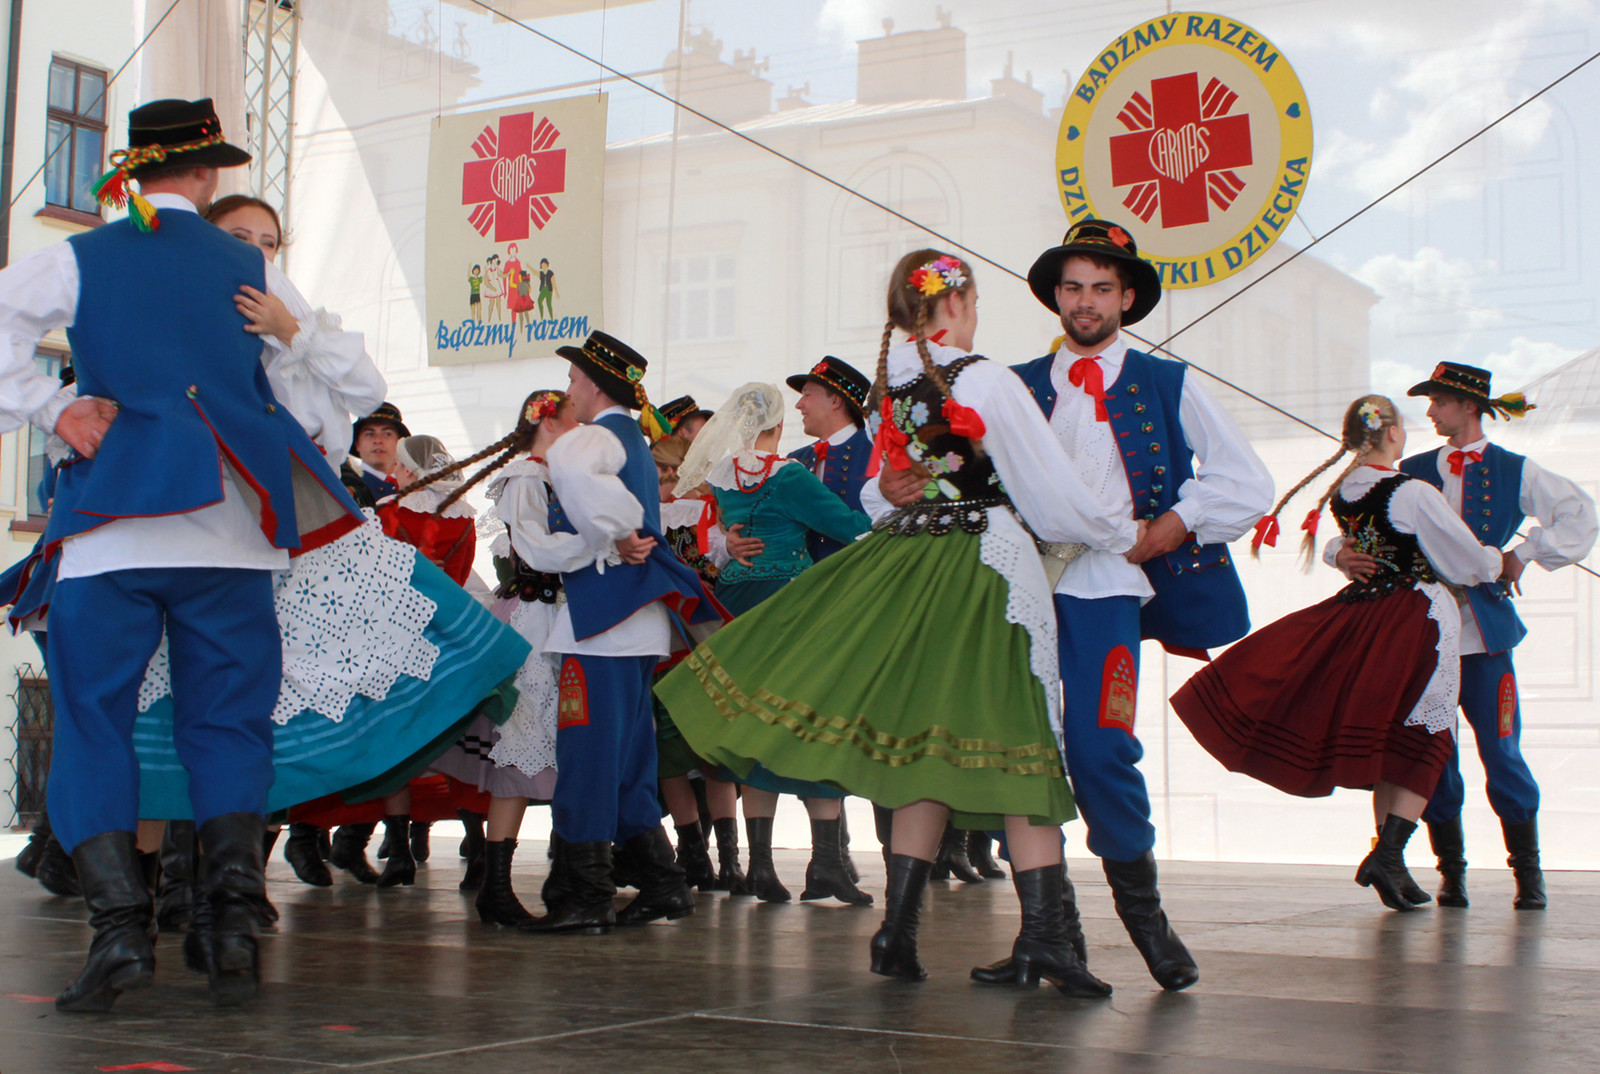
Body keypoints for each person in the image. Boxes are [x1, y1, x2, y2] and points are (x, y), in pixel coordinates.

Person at [658, 249, 1141, 996]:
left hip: (912, 563)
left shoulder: (898, 389)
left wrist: (900, 489)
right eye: (973, 303)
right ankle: (1046, 936)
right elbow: (1049, 492)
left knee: (924, 743)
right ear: (959, 302)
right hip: (984, 564)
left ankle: (899, 929)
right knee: (1019, 735)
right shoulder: (984, 379)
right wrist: (1119, 533)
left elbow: (880, 499)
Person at [0, 97, 369, 1011]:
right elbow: (331, 394)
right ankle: (230, 929)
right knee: (229, 725)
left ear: (134, 170)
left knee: (94, 722)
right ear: (205, 174)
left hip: (114, 523)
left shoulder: (82, 256)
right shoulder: (252, 267)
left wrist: (55, 409)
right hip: (232, 527)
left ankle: (120, 934)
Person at [1009, 218, 1273, 991]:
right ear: (1057, 297)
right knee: (1020, 749)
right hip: (1021, 589)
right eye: (1073, 287)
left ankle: (1146, 921)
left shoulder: (1167, 383)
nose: (1085, 302)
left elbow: (1245, 482)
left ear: (1126, 298)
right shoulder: (1018, 386)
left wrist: (1176, 524)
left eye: (1101, 288)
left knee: (1100, 748)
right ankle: (1050, 935)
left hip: (1106, 589)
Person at [1172, 395, 1506, 911]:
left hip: (1366, 616)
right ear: (1391, 433)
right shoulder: (1413, 491)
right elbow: (1467, 563)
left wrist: (1337, 554)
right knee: (1427, 740)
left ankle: (1391, 861)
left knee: (1391, 738)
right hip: (1416, 619)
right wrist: (1498, 560)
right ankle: (1388, 856)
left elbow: (1344, 543)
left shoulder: (1345, 490)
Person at [1327, 363, 1596, 909]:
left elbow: (1580, 515)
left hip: (1483, 633)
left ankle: (1528, 874)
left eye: (1440, 401)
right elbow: (1356, 521)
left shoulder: (1514, 469)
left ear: (1469, 406)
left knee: (1502, 751)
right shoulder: (1408, 470)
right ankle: (1451, 873)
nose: (1430, 412)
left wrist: (1523, 553)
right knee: (1432, 754)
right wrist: (1340, 554)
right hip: (1419, 635)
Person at [522, 330, 722, 934]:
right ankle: (663, 884)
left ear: (594, 384)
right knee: (631, 759)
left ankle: (586, 895)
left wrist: (615, 532)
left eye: (573, 379)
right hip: (632, 623)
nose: (568, 391)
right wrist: (620, 533)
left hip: (604, 625)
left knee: (586, 757)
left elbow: (575, 474)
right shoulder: (630, 437)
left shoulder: (598, 437)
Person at [673, 382, 875, 906]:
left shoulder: (722, 476)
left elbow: (709, 534)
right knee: (813, 723)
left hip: (736, 609)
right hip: (788, 608)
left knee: (751, 730)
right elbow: (850, 526)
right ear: (779, 425)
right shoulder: (789, 475)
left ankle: (760, 866)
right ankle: (825, 863)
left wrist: (729, 542)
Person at [352, 402, 410, 500]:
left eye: (387, 434)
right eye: (369, 434)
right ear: (357, 444)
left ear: (399, 442)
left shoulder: (417, 485)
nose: (378, 440)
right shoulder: (348, 489)